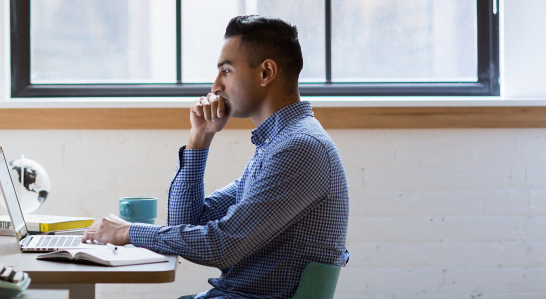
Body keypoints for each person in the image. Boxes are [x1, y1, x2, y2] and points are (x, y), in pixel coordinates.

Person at [84, 15, 349, 299]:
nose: (215, 87)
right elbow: (185, 224)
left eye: (226, 71)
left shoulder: (299, 148)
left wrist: (128, 232)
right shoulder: (276, 145)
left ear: (266, 72)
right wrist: (200, 138)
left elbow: (222, 246)